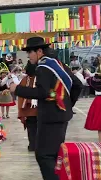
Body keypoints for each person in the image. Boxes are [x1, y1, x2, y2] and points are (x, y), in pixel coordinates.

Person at [9, 37, 82, 180]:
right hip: (61, 117)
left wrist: (17, 89)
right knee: (54, 156)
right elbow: (77, 84)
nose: (28, 55)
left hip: (49, 118)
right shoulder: (58, 64)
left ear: (40, 51)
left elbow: (42, 92)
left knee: (43, 155)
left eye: (30, 52)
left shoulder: (42, 67)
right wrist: (66, 105)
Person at [17, 61, 38, 152]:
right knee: (39, 129)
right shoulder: (41, 79)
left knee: (31, 130)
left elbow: (20, 97)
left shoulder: (24, 80)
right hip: (39, 110)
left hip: (28, 111)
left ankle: (32, 145)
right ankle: (38, 145)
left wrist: (21, 111)